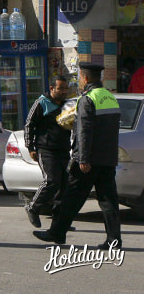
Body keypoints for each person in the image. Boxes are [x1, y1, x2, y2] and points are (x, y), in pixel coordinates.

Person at [33, 62, 122, 249]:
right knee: (108, 201)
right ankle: (114, 240)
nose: (80, 80)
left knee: (71, 198)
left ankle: (56, 233)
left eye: (81, 77)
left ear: (85, 78)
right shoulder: (110, 97)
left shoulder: (87, 99)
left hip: (89, 160)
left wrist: (83, 158)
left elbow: (84, 131)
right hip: (108, 159)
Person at [23, 75, 70, 228]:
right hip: (46, 149)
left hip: (63, 150)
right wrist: (30, 147)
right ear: (52, 88)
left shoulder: (68, 104)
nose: (64, 91)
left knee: (64, 185)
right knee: (51, 180)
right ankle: (33, 207)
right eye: (60, 88)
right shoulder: (41, 103)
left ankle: (59, 221)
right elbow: (29, 125)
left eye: (65, 88)